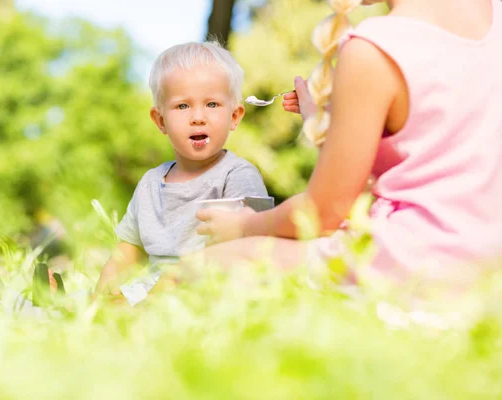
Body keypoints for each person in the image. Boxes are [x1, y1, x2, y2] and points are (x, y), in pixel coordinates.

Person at [195, 0, 502, 288]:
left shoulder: (375, 47)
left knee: (198, 267)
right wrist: (324, 120)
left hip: (411, 266)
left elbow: (323, 213)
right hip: (488, 266)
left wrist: (244, 227)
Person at [93, 41, 269, 305]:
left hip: (212, 290)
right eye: (183, 106)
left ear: (234, 116)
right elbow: (127, 251)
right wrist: (99, 297)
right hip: (152, 294)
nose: (198, 117)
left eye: (212, 104)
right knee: (101, 305)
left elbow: (255, 248)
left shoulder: (237, 176)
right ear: (160, 121)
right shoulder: (151, 184)